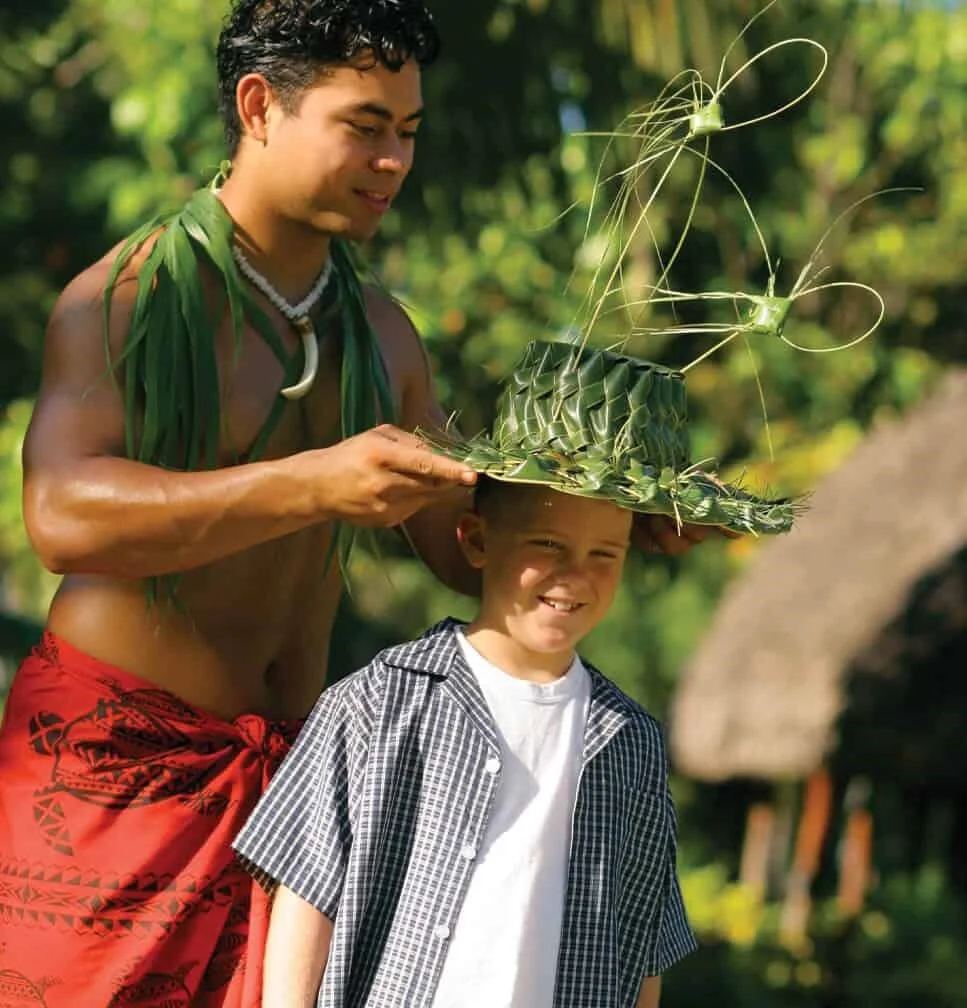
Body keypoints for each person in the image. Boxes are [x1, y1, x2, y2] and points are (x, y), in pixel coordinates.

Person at [0, 2, 720, 1006]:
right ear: (260, 107)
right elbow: (62, 516)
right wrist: (312, 483)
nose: (393, 161)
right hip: (113, 769)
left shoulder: (383, 336)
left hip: (294, 782)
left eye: (408, 133)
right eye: (364, 125)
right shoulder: (126, 299)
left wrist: (619, 514)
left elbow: (464, 546)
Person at [234, 339, 799, 1008]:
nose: (574, 576)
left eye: (602, 554)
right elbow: (307, 895)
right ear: (475, 540)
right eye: (547, 546)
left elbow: (642, 947)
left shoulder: (631, 743)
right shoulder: (375, 705)